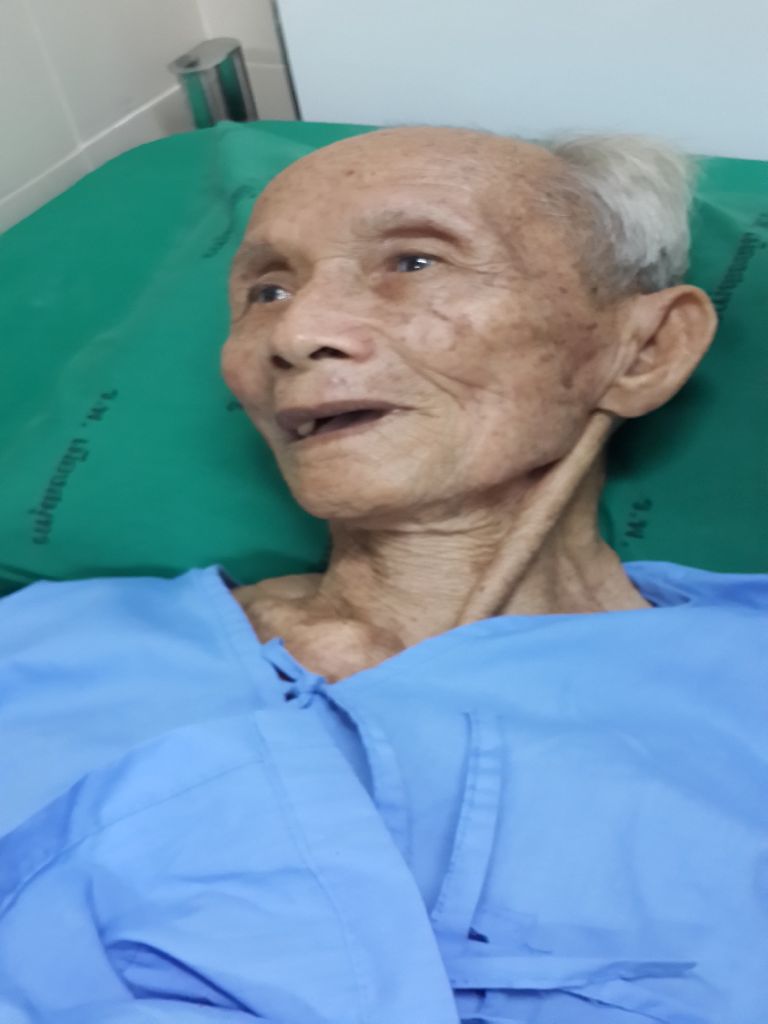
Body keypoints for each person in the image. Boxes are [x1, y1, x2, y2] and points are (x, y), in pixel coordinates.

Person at [0, 126, 766, 1023]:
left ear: (643, 350)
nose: (297, 333)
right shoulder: (41, 646)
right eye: (267, 290)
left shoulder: (741, 688)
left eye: (414, 262)